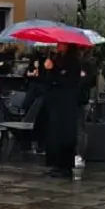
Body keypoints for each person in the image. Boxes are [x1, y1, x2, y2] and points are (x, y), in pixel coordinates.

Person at [38, 45, 83, 178]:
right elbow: (48, 81)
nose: (58, 46)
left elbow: (69, 81)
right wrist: (47, 70)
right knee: (54, 133)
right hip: (54, 103)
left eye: (62, 44)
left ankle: (65, 166)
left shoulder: (74, 62)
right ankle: (55, 164)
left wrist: (55, 71)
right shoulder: (56, 59)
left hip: (67, 103)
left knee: (65, 133)